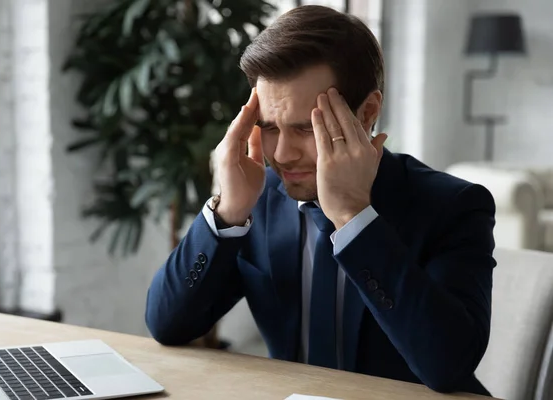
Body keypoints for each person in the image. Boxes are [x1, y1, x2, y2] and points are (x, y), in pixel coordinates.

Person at [145, 5, 495, 396]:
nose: (283, 154)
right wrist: (227, 212)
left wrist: (353, 216)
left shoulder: (454, 206)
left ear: (367, 113)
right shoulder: (257, 196)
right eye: (269, 128)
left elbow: (447, 366)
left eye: (304, 128)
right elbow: (167, 325)